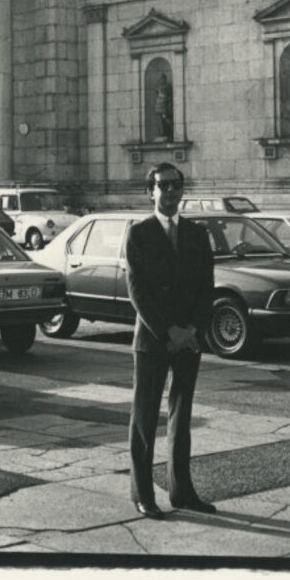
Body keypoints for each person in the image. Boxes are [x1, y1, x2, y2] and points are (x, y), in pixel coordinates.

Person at [124, 162, 216, 519]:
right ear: (151, 192)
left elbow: (206, 287)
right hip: (153, 340)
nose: (171, 192)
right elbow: (137, 291)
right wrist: (168, 331)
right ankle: (143, 495)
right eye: (163, 186)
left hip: (189, 340)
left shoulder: (196, 233)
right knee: (144, 420)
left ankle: (182, 492)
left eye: (176, 185)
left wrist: (193, 329)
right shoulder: (139, 233)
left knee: (181, 417)